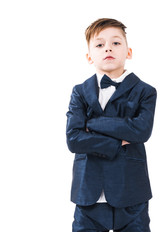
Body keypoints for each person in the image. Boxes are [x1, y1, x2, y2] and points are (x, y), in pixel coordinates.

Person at [66, 18, 157, 232]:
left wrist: (93, 124)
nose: (108, 47)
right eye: (99, 44)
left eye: (116, 43)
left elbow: (141, 130)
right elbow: (74, 139)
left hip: (131, 192)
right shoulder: (79, 92)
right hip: (88, 193)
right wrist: (117, 142)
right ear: (89, 57)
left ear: (129, 51)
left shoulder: (145, 91)